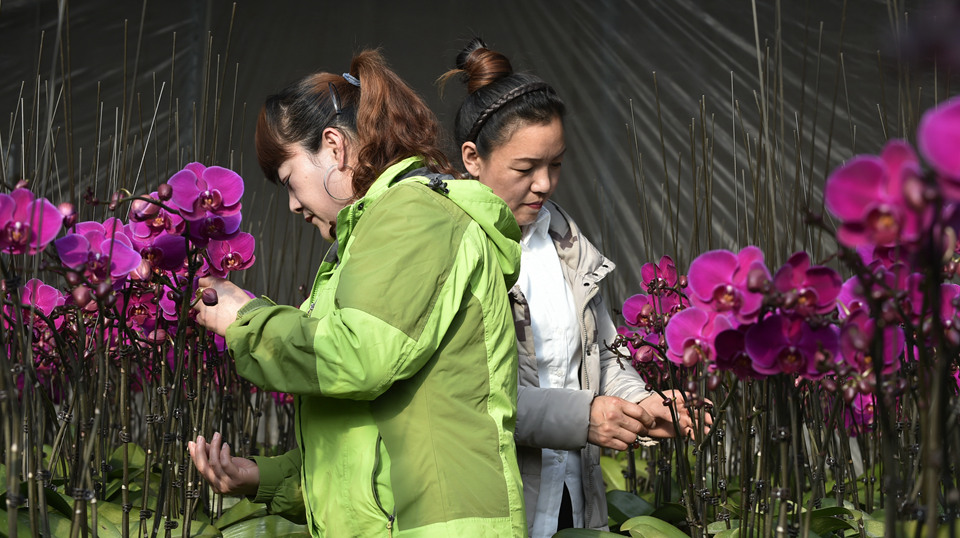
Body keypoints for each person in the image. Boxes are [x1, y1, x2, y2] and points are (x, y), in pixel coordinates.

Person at [188, 49, 528, 537]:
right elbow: (366, 452)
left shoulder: (414, 216)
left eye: (289, 179)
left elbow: (357, 356)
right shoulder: (369, 235)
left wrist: (249, 322)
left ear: (334, 146)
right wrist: (263, 479)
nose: (291, 204)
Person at [441, 38, 708, 537]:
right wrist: (583, 418)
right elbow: (464, 393)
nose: (545, 184)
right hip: (493, 506)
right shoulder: (450, 249)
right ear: (472, 158)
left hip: (571, 496)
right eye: (526, 168)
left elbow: (603, 356)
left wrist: (642, 405)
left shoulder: (565, 243)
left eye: (556, 164)